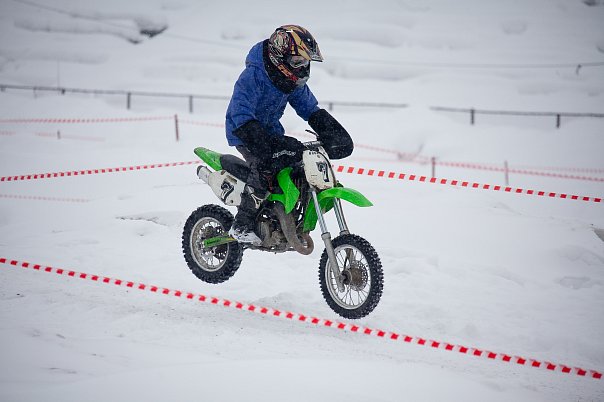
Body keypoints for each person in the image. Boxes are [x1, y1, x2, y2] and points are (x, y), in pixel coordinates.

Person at [225, 25, 353, 245]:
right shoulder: (253, 76)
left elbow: (308, 107)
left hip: (272, 133)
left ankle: (285, 217)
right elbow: (240, 112)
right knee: (264, 168)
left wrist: (332, 131)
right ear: (279, 57)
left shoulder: (290, 80)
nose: (302, 68)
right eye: (297, 62)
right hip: (244, 131)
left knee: (298, 167)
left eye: (305, 62)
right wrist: (261, 142)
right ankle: (242, 224)